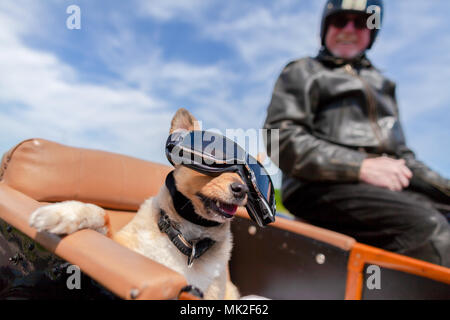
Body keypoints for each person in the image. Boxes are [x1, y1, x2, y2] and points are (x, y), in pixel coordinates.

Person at [263, 0, 450, 267]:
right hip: (319, 186)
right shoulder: (303, 71)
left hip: (387, 190)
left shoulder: (383, 86)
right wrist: (360, 166)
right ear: (326, 27)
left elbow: (404, 159)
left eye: (361, 22)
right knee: (430, 229)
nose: (349, 29)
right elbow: (280, 138)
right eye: (340, 21)